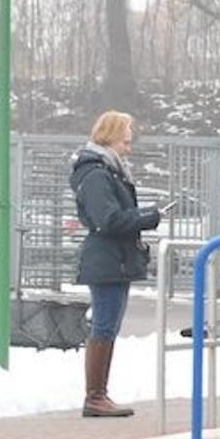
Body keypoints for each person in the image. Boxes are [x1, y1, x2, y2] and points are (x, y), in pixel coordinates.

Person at [70, 110, 159, 418]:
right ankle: (95, 396)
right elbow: (108, 219)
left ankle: (98, 394)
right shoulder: (97, 174)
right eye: (125, 142)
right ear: (109, 138)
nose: (128, 149)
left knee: (108, 325)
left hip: (114, 259)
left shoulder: (107, 171)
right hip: (107, 259)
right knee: (104, 325)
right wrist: (148, 217)